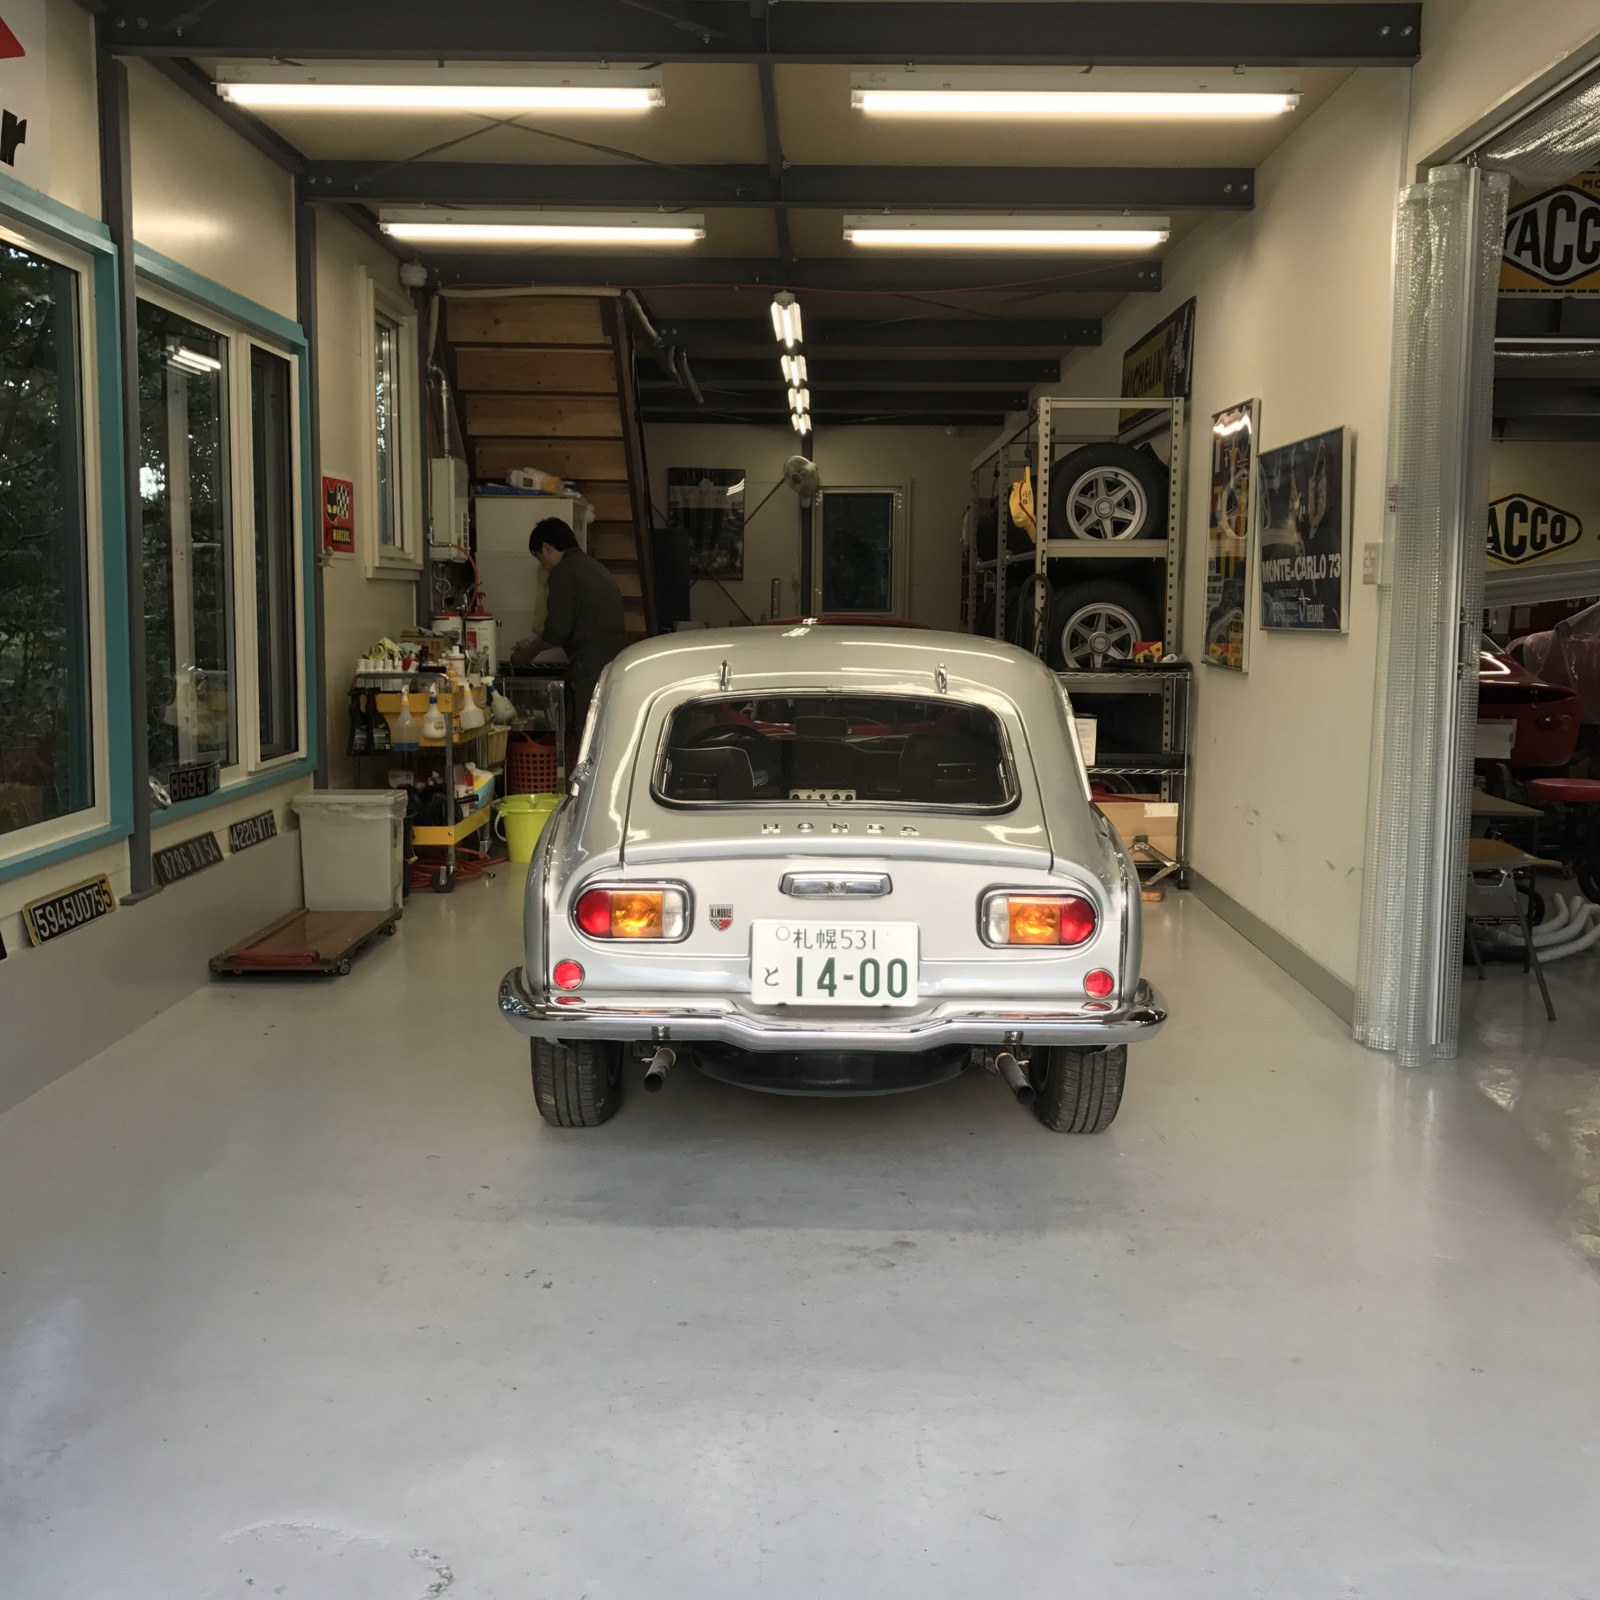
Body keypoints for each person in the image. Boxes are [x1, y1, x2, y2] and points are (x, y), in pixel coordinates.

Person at [509, 518, 629, 727]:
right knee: (607, 727)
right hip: (614, 659)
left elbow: (558, 631)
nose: (542, 566)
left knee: (590, 729)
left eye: (539, 558)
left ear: (546, 548)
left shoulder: (563, 571)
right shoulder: (590, 566)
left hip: (591, 664)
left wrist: (530, 651)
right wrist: (535, 641)